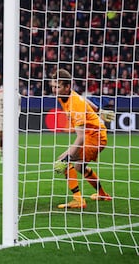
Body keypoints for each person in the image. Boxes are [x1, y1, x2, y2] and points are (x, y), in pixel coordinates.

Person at [52, 68, 112, 209]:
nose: (54, 90)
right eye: (53, 86)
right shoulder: (64, 96)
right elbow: (83, 99)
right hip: (93, 134)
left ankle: (78, 200)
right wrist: (99, 111)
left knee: (64, 161)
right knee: (79, 166)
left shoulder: (75, 105)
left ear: (67, 87)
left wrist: (66, 158)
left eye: (58, 87)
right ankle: (103, 195)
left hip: (95, 137)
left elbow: (80, 138)